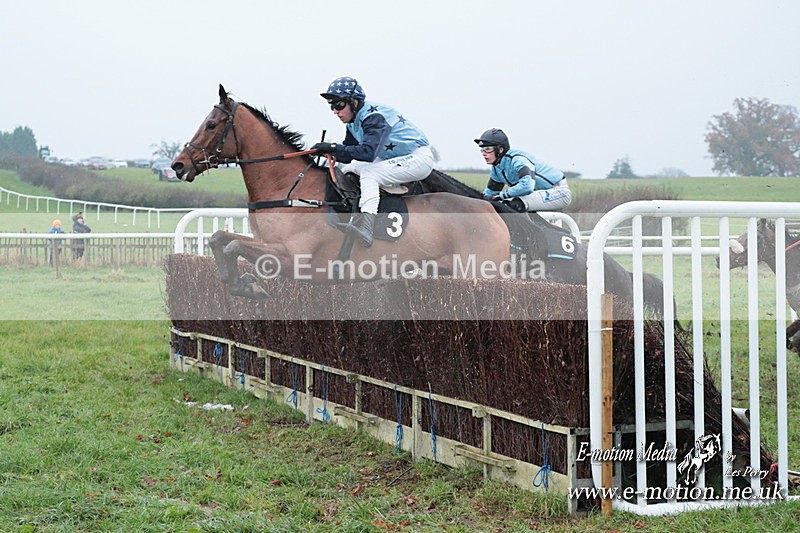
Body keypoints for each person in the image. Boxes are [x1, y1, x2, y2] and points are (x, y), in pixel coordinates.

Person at [311, 76, 434, 247]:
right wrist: (324, 151)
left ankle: (366, 227)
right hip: (395, 159)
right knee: (349, 168)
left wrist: (333, 147)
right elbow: (347, 155)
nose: (335, 111)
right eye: (332, 106)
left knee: (369, 173)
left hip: (418, 158)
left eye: (339, 105)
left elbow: (367, 153)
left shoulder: (373, 117)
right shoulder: (353, 123)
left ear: (354, 102)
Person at [474, 128, 572, 213]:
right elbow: (490, 194)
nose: (484, 153)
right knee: (497, 205)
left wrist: (501, 196)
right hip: (537, 194)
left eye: (487, 149)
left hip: (558, 192)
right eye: (482, 150)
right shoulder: (496, 168)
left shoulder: (518, 160)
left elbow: (527, 186)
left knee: (511, 204)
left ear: (500, 150)